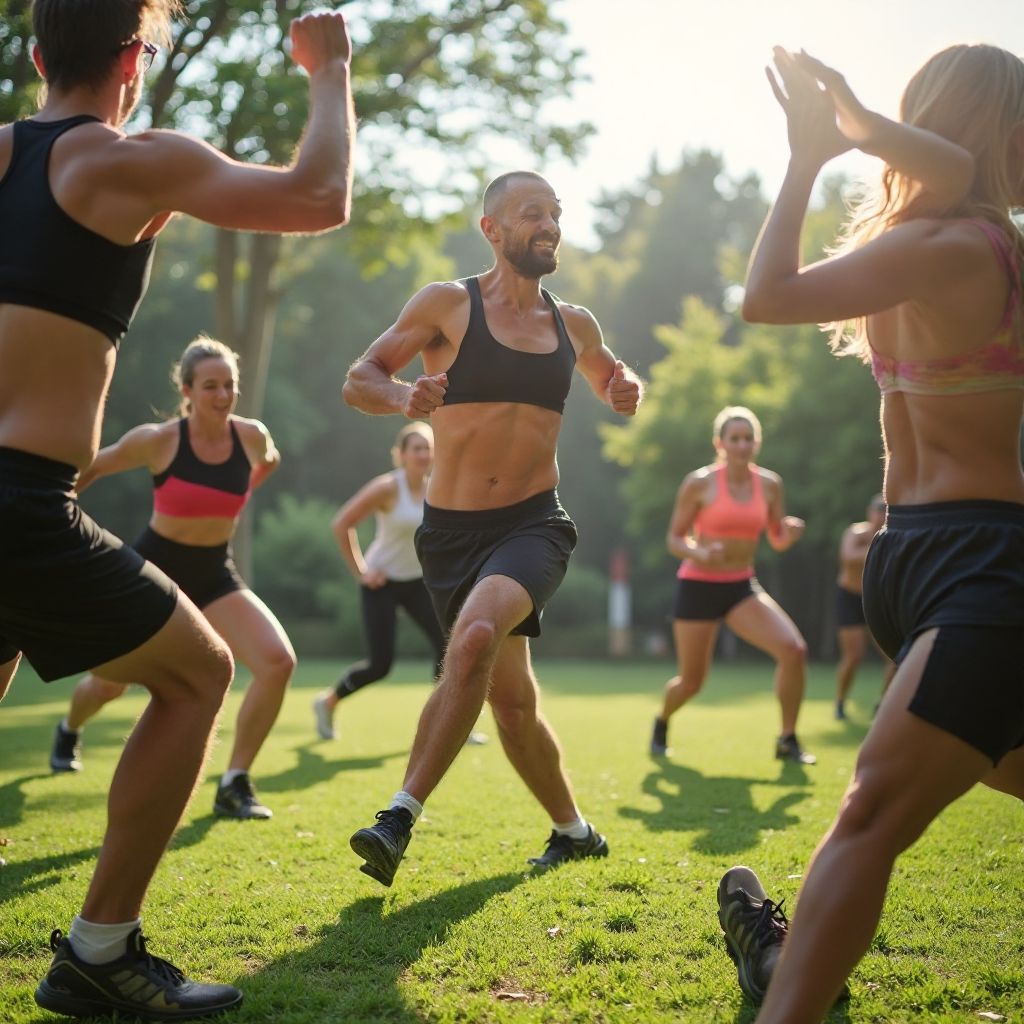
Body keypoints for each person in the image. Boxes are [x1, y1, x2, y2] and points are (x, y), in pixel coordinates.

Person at [0, 1, 353, 1017]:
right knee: (200, 674)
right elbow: (318, 195)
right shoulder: (121, 161)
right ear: (132, 62)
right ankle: (99, 950)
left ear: (36, 56)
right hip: (23, 501)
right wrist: (328, 70)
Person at [717, 45, 1024, 1023]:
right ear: (992, 131)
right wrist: (821, 145)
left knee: (869, 815)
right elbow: (769, 298)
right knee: (879, 813)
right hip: (934, 561)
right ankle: (791, 960)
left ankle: (784, 975)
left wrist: (827, 141)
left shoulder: (963, 248)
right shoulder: (938, 245)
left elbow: (766, 295)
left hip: (978, 573)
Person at [342, 170, 643, 887]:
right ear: (492, 228)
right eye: (531, 212)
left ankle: (397, 817)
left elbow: (611, 374)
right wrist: (403, 398)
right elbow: (360, 378)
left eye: (555, 213)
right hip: (451, 535)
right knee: (512, 704)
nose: (549, 225)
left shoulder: (574, 323)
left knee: (473, 637)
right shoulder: (448, 305)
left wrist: (626, 388)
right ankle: (575, 832)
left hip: (534, 524)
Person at [49, 337, 296, 822]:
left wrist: (235, 498)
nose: (223, 395)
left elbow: (270, 460)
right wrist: (48, 517)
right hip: (156, 571)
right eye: (210, 386)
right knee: (109, 685)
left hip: (214, 571)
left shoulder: (251, 436)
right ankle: (69, 728)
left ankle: (234, 782)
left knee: (277, 662)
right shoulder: (158, 440)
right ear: (187, 390)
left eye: (229, 385)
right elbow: (91, 468)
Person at [651, 406, 813, 764]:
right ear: (720, 443)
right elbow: (675, 538)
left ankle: (787, 739)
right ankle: (661, 721)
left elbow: (777, 539)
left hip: (740, 586)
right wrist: (700, 552)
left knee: (794, 650)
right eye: (734, 438)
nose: (742, 445)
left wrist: (789, 534)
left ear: (757, 443)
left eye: (748, 438)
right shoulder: (699, 482)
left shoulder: (770, 484)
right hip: (698, 586)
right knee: (692, 682)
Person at [311, 422, 449, 737]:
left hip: (418, 582)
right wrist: (361, 572)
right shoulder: (387, 487)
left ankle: (446, 723)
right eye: (417, 448)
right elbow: (342, 523)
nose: (423, 454)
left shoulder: (437, 489)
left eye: (428, 448)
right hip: (381, 582)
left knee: (448, 647)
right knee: (380, 665)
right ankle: (328, 702)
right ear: (401, 454)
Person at [834, 493, 895, 720]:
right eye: (878, 509)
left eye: (886, 509)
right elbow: (848, 556)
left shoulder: (893, 537)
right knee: (854, 656)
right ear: (870, 512)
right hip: (849, 598)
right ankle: (840, 702)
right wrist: (880, 545)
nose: (881, 514)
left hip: (877, 598)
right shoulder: (856, 532)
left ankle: (883, 704)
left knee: (896, 658)